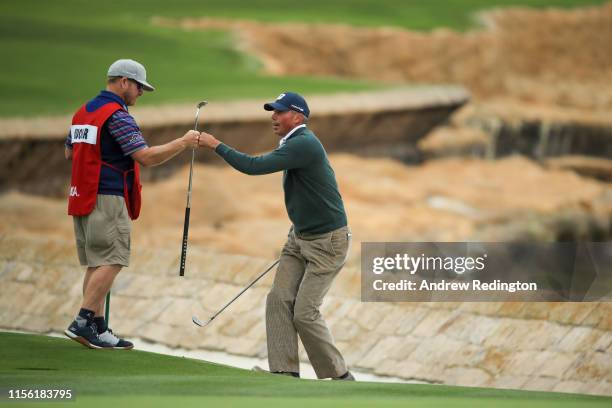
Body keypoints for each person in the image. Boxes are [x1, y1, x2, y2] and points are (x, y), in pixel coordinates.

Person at [198, 92, 354, 380]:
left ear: (298, 116)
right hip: (299, 238)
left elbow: (253, 166)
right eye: (273, 111)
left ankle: (340, 376)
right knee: (278, 299)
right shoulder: (292, 143)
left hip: (327, 242)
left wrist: (215, 144)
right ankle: (284, 373)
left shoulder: (304, 144)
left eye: (279, 112)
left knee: (304, 313)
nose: (273, 116)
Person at [64, 59, 200, 349]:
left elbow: (69, 153)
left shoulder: (82, 112)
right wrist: (184, 142)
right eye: (139, 87)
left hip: (82, 195)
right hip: (108, 197)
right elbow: (146, 157)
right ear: (124, 82)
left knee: (97, 261)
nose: (141, 93)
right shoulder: (117, 115)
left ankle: (97, 328)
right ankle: (83, 320)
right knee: (114, 259)